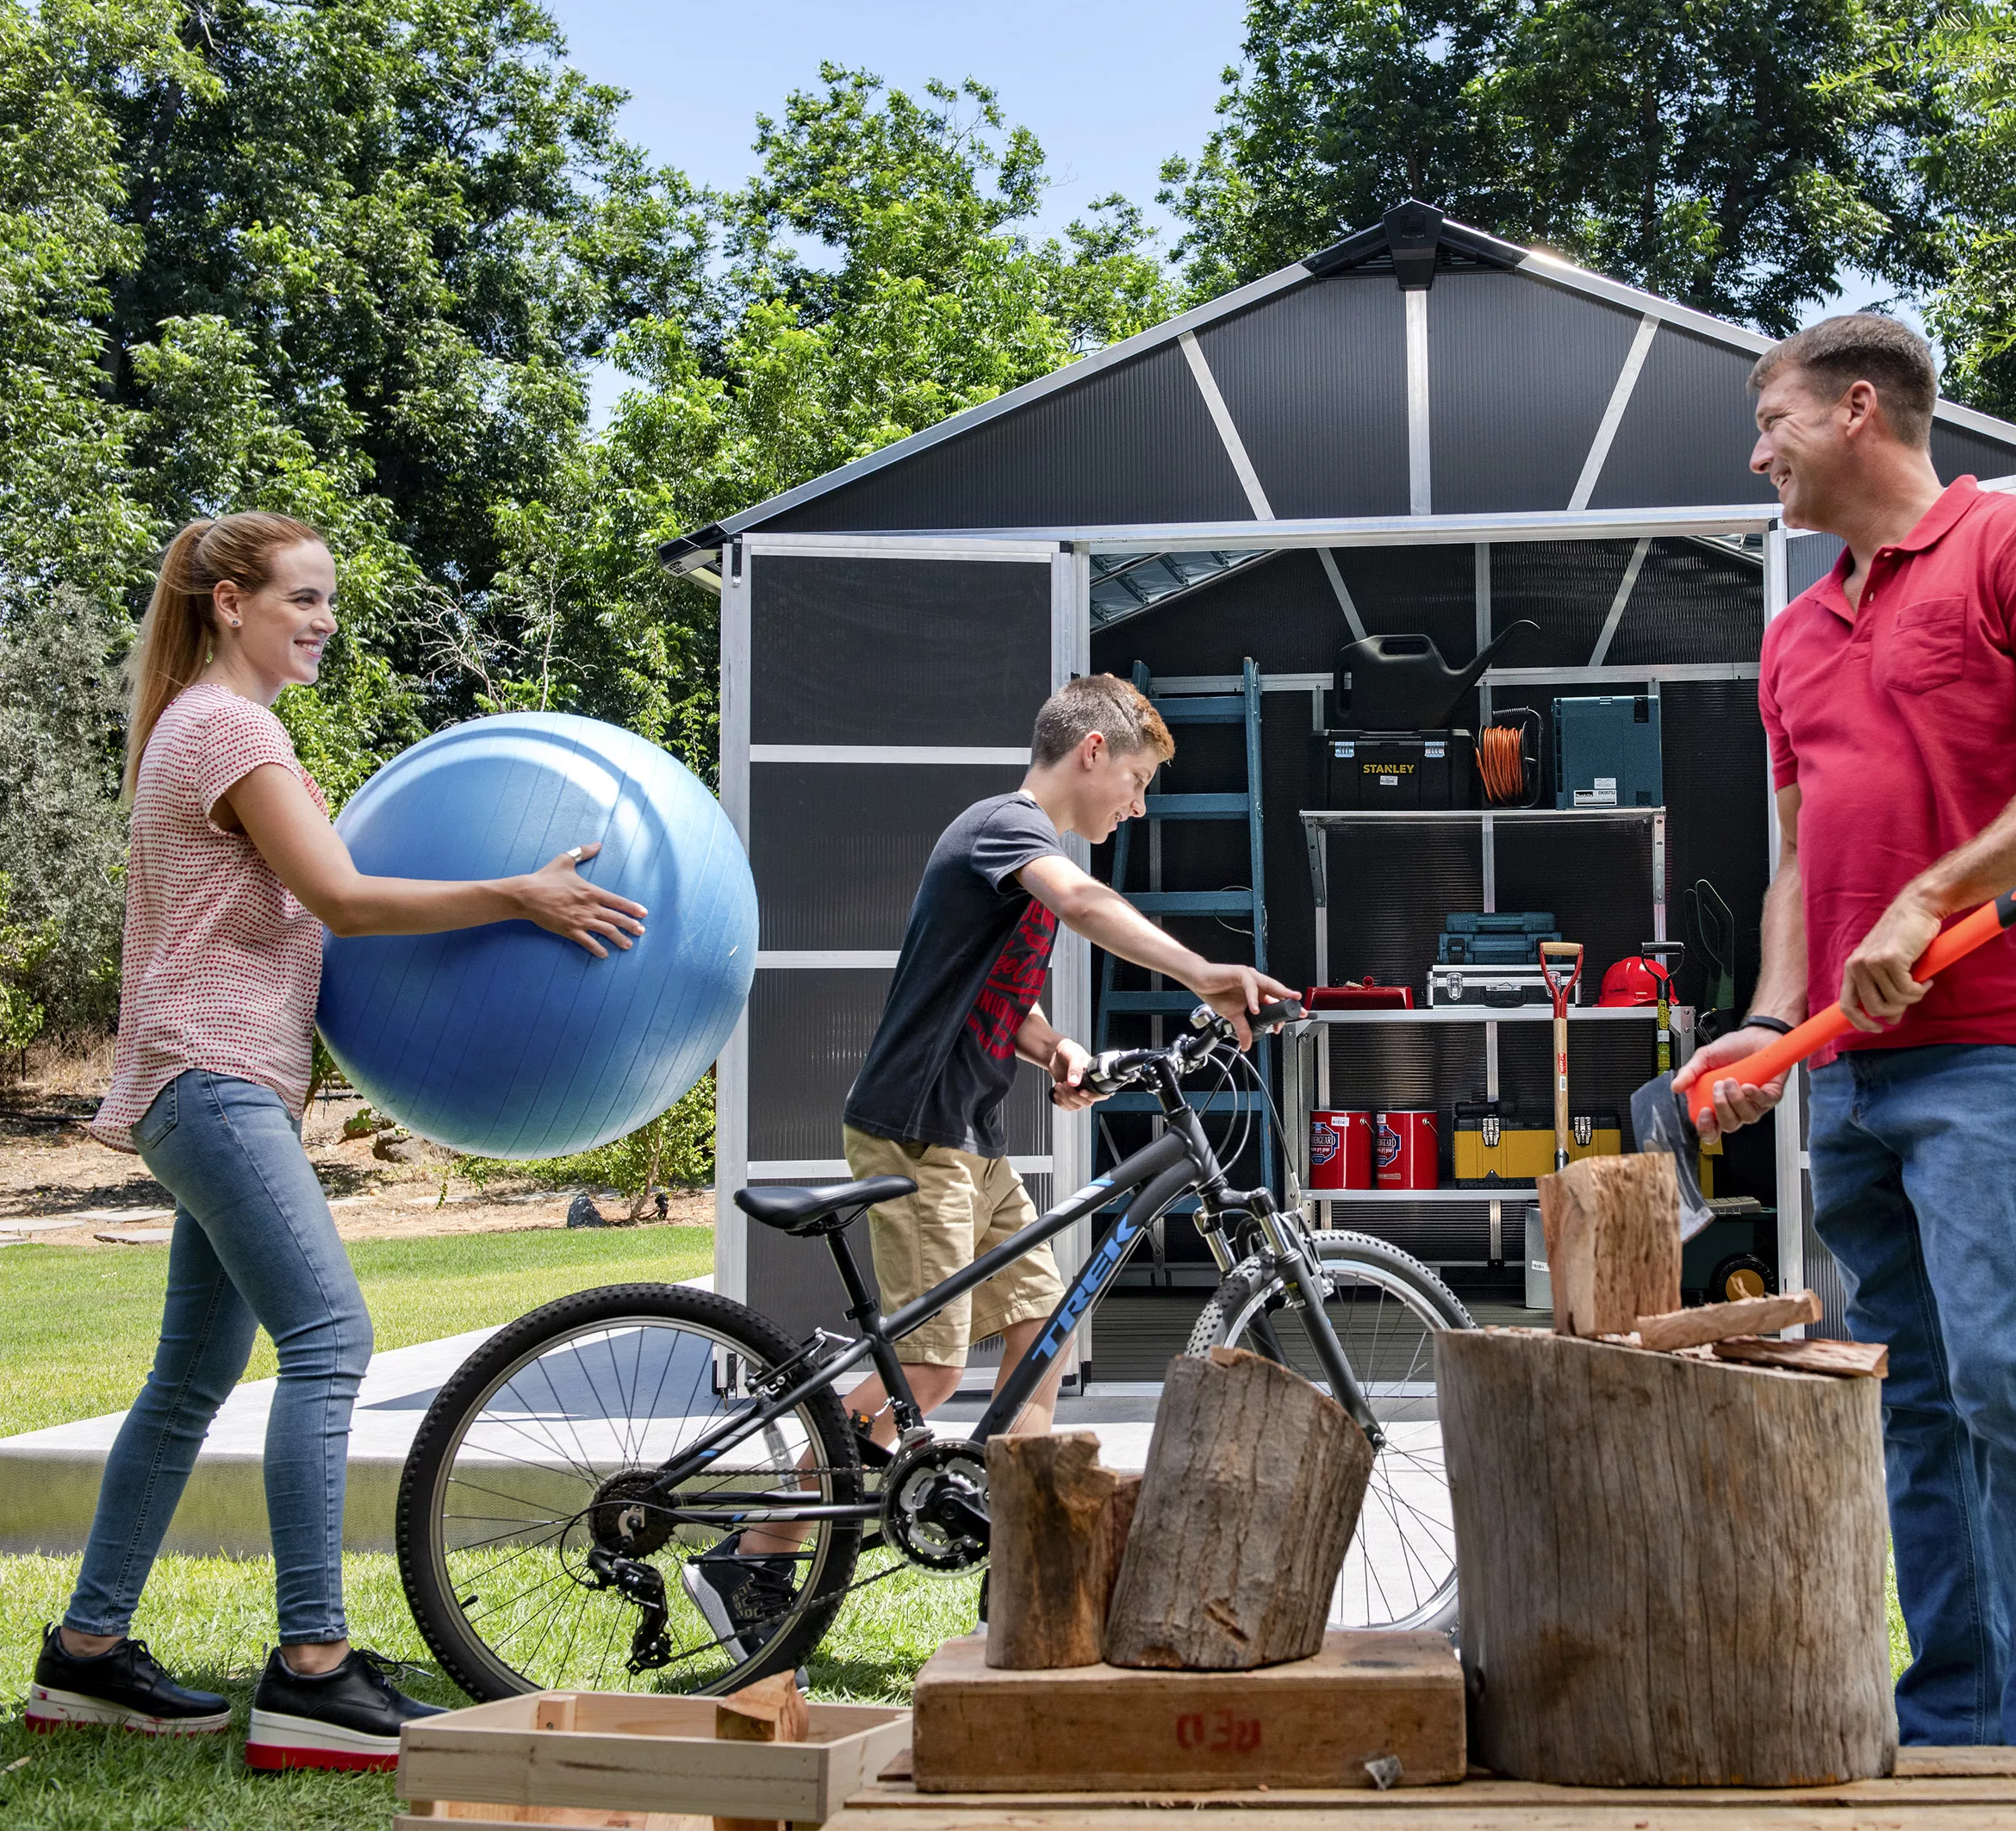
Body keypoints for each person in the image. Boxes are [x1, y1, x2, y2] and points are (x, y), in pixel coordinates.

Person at [28, 513, 647, 1770]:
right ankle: (314, 1667)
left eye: (328, 602)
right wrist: (519, 894)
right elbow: (344, 900)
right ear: (229, 602)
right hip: (212, 1077)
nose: (322, 622)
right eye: (301, 598)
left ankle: (85, 1655)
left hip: (211, 1079)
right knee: (330, 1337)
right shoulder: (229, 729)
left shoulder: (208, 725)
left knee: (191, 1378)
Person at [688, 672, 1297, 1656]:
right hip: (916, 1132)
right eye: (1137, 782)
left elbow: (991, 994)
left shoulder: (1020, 855)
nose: (1137, 807)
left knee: (1043, 1331)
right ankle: (755, 1551)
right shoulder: (1005, 829)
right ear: (1092, 752)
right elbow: (1085, 902)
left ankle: (1016, 1575)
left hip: (971, 1137)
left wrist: (1052, 1047)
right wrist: (1202, 971)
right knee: (930, 1371)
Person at [1677, 315, 2016, 1746]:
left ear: (1857, 409)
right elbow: (1795, 854)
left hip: (2000, 1050)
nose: (1756, 454)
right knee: (1909, 1397)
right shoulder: (1792, 635)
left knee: (2009, 1376)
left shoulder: (2005, 547)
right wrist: (1770, 1021)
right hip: (1850, 1071)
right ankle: (1955, 1717)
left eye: (1771, 422)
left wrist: (1933, 894)